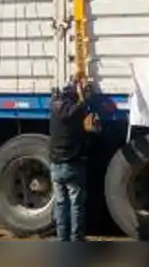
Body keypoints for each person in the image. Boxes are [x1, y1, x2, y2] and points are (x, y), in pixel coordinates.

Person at [48, 79, 92, 241]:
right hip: (72, 163)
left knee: (60, 203)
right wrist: (83, 94)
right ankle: (76, 238)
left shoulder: (53, 107)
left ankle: (62, 239)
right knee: (76, 203)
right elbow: (83, 105)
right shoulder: (77, 111)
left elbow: (54, 99)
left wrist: (54, 95)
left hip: (55, 165)